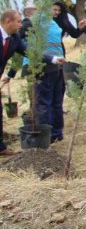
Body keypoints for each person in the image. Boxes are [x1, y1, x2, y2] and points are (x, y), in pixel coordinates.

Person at [33, 2, 86, 142]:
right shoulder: (43, 23)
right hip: (51, 62)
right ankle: (54, 133)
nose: (56, 12)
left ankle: (51, 134)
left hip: (54, 63)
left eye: (58, 10)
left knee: (50, 100)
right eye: (54, 9)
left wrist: (80, 29)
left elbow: (73, 33)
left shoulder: (55, 23)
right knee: (52, 100)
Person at [0, 10, 51, 156]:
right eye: (18, 21)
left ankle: (1, 148)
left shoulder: (14, 38)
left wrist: (52, 59)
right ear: (8, 22)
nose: (20, 25)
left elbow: (30, 52)